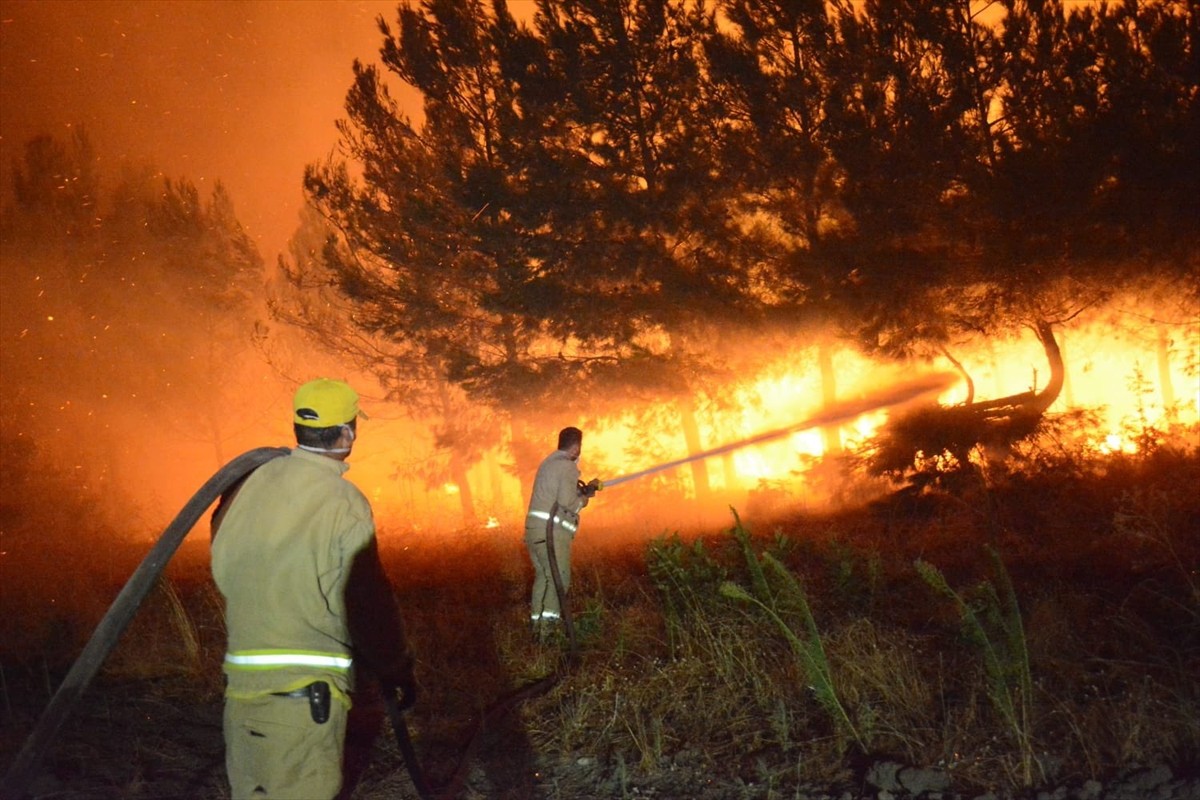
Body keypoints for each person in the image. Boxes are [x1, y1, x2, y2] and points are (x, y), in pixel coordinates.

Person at [211, 378, 416, 800]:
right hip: (305, 698)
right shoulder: (343, 502)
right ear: (347, 433)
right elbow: (366, 602)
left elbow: (225, 557)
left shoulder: (247, 486)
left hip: (241, 691)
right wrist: (395, 668)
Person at [524, 426, 594, 640]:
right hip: (551, 534)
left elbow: (556, 495)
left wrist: (579, 490)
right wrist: (584, 499)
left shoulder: (549, 463)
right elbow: (567, 504)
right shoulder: (567, 467)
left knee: (544, 578)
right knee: (559, 579)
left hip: (534, 532)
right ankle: (549, 634)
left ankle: (537, 632)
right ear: (576, 447)